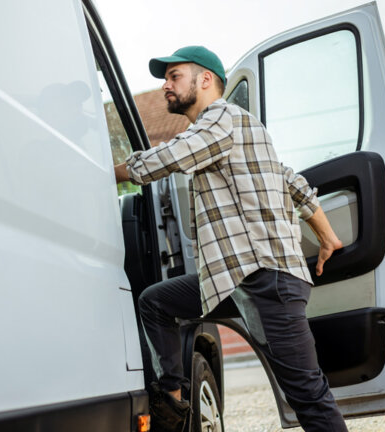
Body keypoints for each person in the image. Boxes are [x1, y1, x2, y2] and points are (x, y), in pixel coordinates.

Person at [114, 46, 348, 432]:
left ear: (205, 79)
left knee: (307, 394)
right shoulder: (243, 129)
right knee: (156, 302)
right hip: (237, 278)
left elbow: (172, 156)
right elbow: (294, 183)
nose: (165, 87)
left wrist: (109, 169)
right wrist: (328, 237)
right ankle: (172, 398)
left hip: (265, 277)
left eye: (174, 77)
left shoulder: (220, 118)